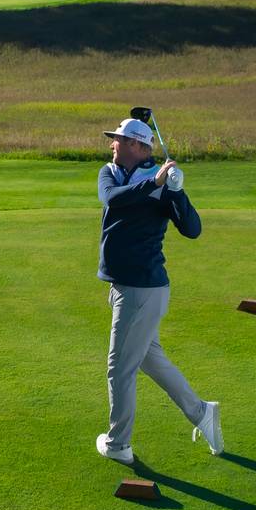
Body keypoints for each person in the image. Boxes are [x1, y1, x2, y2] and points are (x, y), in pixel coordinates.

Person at [94, 117, 220, 465]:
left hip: (143, 289)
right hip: (124, 286)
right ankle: (201, 412)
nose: (112, 144)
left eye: (119, 140)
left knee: (120, 369)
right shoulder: (110, 173)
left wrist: (176, 191)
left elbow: (192, 229)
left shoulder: (163, 183)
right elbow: (112, 199)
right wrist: (154, 182)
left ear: (137, 146)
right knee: (150, 359)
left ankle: (118, 444)